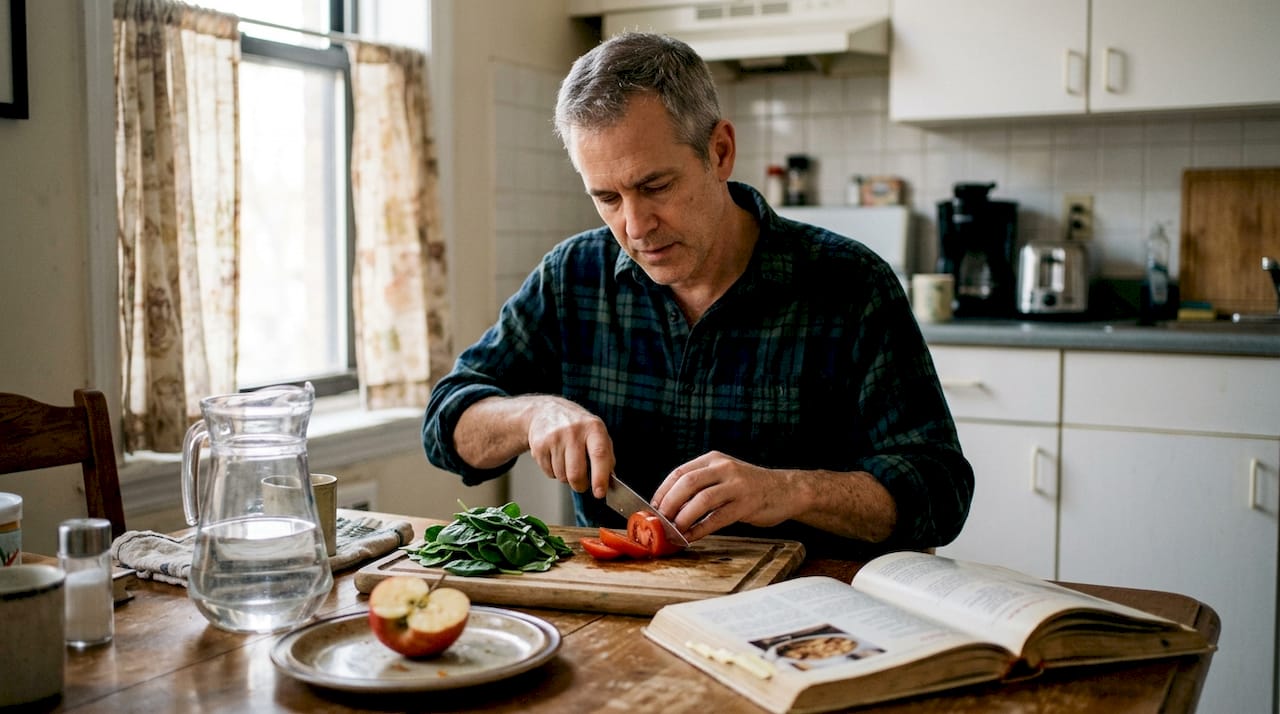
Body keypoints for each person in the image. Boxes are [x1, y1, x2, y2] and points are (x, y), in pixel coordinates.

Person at [423, 31, 972, 559]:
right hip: (624, 604)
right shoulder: (572, 278)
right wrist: (532, 415)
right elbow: (446, 425)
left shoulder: (851, 285)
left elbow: (941, 491)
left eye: (655, 187)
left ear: (720, 152)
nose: (635, 226)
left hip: (805, 618)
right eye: (608, 197)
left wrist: (788, 490)